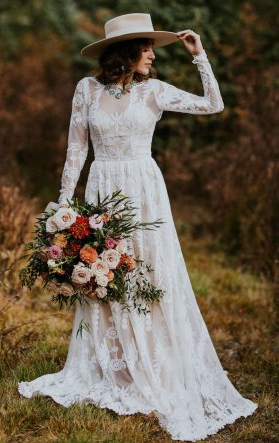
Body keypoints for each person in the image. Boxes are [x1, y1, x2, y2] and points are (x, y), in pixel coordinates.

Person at [18, 13, 258, 442]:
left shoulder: (155, 91)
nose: (152, 55)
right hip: (101, 187)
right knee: (105, 276)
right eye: (146, 48)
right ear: (124, 53)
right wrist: (65, 206)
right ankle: (115, 364)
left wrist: (199, 56)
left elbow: (213, 104)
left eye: (151, 48)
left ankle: (154, 359)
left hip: (144, 190)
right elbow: (76, 149)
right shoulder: (86, 90)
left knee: (148, 272)